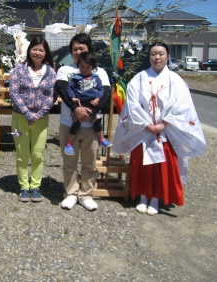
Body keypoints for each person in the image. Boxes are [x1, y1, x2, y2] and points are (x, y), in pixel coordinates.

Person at [112, 42, 206, 215]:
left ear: (167, 56)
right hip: (143, 129)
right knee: (142, 165)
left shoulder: (176, 80)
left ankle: (156, 198)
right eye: (154, 54)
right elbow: (132, 105)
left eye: (161, 54)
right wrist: (147, 124)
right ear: (149, 57)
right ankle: (143, 196)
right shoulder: (139, 78)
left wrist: (164, 124)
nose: (157, 57)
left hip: (166, 130)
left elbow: (182, 105)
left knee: (161, 166)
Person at [54, 33, 111, 211]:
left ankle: (86, 194)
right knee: (69, 161)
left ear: (89, 50)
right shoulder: (65, 70)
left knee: (89, 162)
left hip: (91, 125)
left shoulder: (100, 72)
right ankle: (71, 193)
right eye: (74, 49)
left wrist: (89, 112)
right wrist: (77, 109)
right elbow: (63, 91)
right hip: (68, 123)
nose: (77, 52)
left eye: (81, 48)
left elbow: (106, 95)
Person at [9, 37, 56, 202]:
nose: (38, 52)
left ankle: (35, 186)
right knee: (22, 154)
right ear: (29, 51)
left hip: (41, 120)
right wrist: (28, 114)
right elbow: (14, 93)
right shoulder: (19, 70)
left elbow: (52, 95)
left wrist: (38, 114)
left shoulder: (50, 72)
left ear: (45, 53)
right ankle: (24, 186)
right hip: (20, 118)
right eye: (35, 49)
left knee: (37, 155)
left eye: (41, 50)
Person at [64, 51, 111, 156]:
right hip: (80, 105)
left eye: (88, 67)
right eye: (82, 66)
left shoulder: (97, 78)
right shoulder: (75, 78)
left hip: (93, 105)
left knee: (98, 123)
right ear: (78, 66)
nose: (84, 69)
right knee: (75, 125)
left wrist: (98, 99)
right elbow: (70, 89)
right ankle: (68, 144)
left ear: (93, 67)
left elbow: (101, 90)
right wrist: (73, 99)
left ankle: (101, 140)